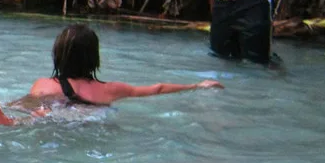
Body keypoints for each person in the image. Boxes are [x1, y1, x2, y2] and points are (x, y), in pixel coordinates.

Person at [20, 24, 222, 107]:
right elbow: (157, 88)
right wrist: (196, 86)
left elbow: (23, 107)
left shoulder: (45, 86)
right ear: (94, 58)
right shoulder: (111, 90)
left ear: (58, 55)